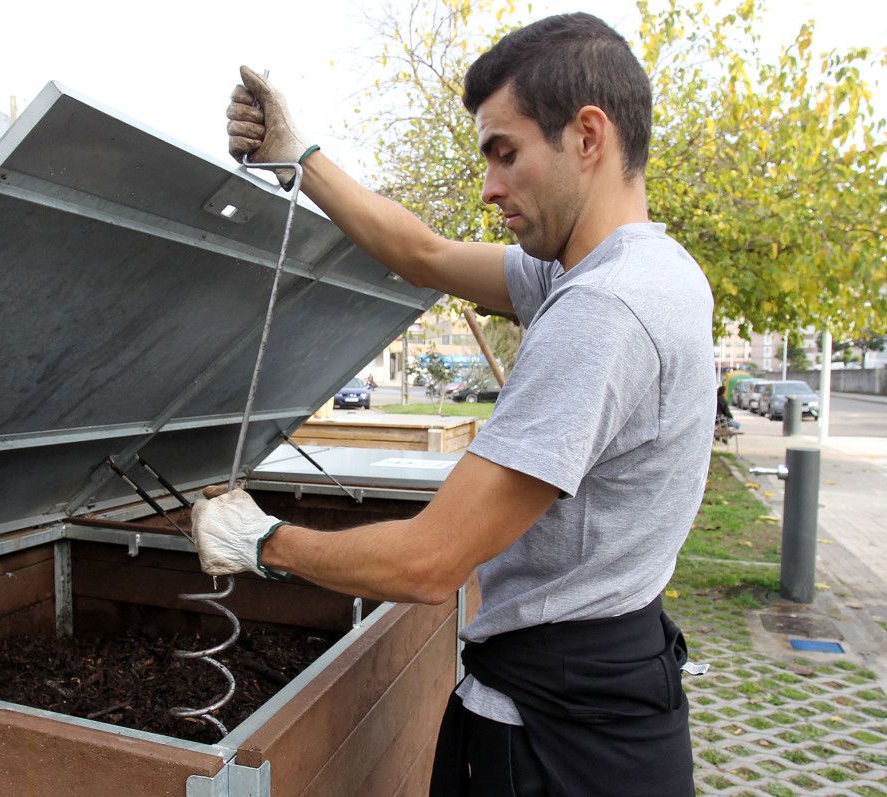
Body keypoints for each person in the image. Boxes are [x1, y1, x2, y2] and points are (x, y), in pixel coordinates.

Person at [195, 13, 714, 795]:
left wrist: (262, 539)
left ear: (587, 136)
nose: (489, 187)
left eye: (506, 154)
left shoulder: (601, 311)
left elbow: (428, 562)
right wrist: (298, 155)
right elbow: (424, 254)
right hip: (617, 691)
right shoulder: (639, 268)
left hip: (558, 743)